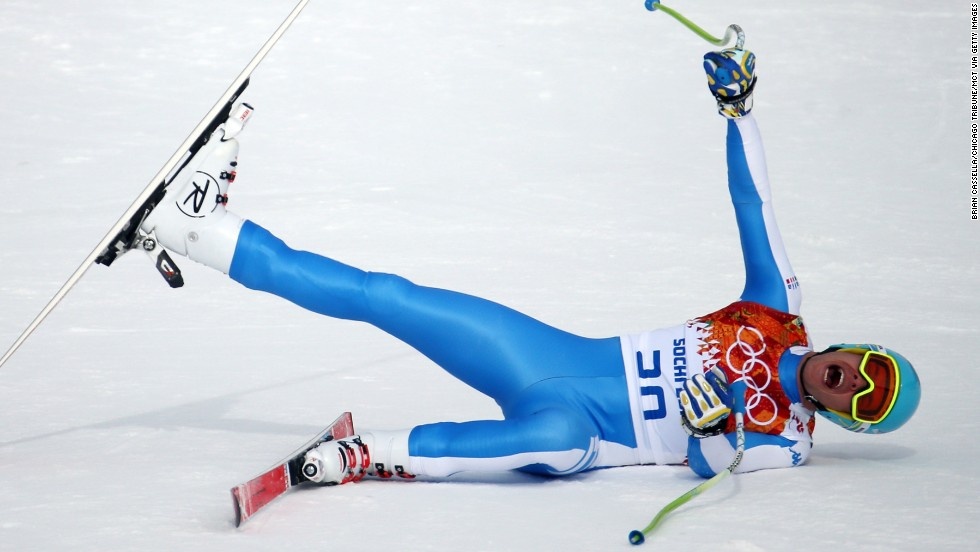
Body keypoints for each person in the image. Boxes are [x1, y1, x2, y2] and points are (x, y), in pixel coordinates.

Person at [138, 48, 921, 485]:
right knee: (388, 295)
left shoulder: (789, 437)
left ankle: (365, 455)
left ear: (847, 419)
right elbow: (754, 208)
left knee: (544, 441)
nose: (854, 383)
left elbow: (708, 464)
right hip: (551, 357)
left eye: (866, 402)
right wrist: (740, 113)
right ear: (859, 350)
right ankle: (200, 228)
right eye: (870, 371)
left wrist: (715, 425)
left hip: (587, 434)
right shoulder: (777, 311)